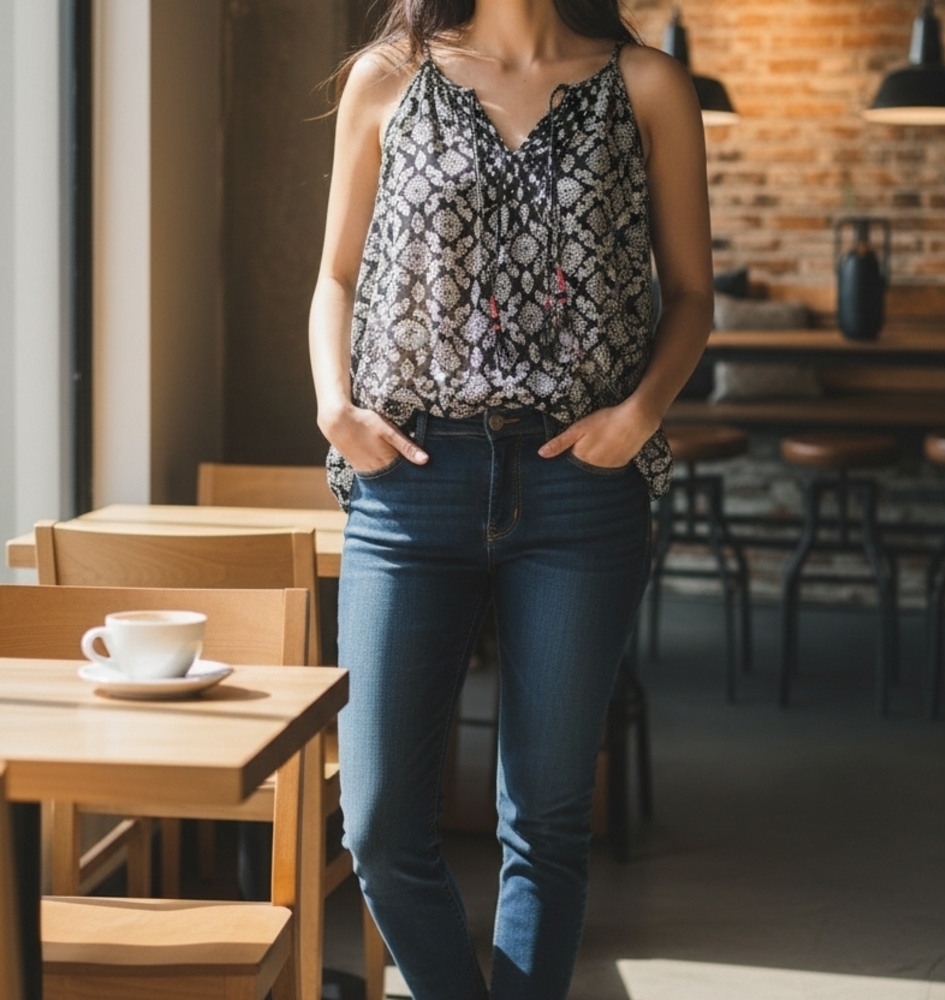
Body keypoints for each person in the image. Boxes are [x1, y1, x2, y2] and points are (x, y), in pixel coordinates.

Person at [309, 1, 712, 996]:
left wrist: (637, 416)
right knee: (379, 828)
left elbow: (693, 294)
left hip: (582, 486)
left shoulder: (649, 86)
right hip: (409, 484)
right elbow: (334, 275)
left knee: (544, 822)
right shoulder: (387, 76)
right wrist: (332, 406)